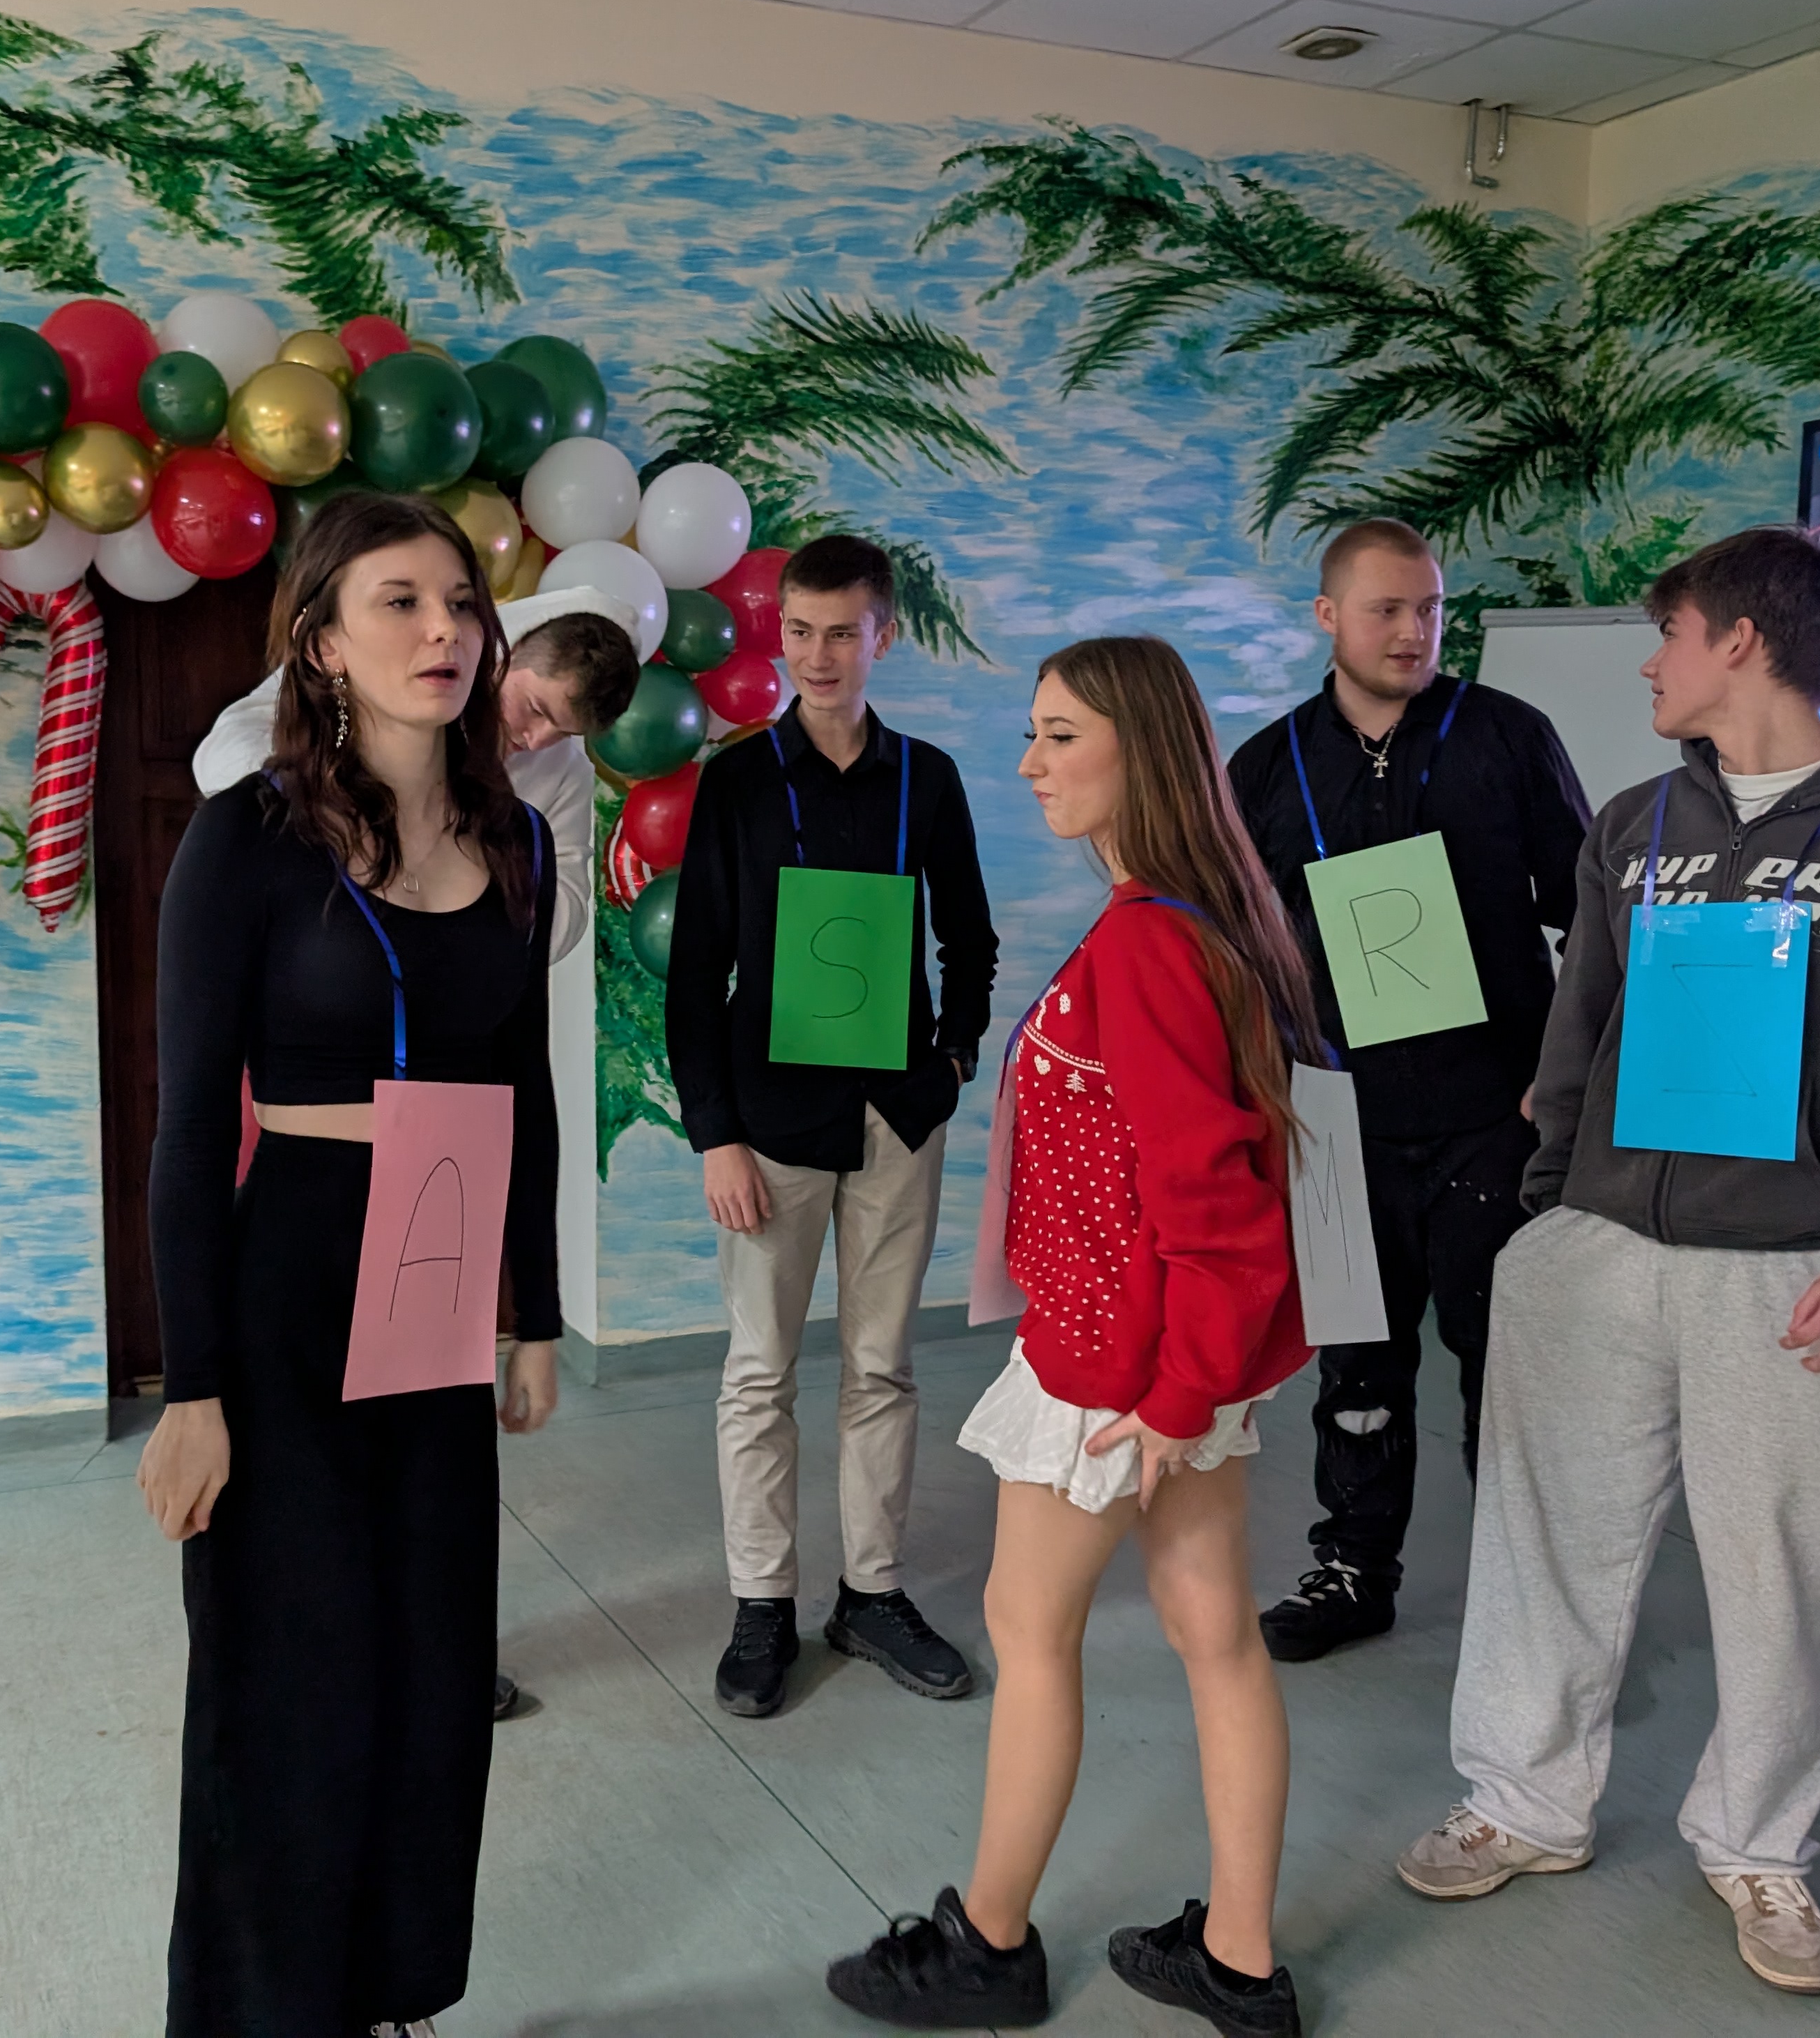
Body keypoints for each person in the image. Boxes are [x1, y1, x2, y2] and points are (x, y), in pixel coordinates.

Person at [1397, 525, 1820, 1998]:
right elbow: (1582, 1030)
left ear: (1740, 642)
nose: (1651, 663)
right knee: (1546, 1544)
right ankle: (1525, 1799)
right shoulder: (1635, 824)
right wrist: (1554, 1211)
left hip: (1802, 1271)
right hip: (1598, 1250)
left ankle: (1758, 1844)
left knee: (1776, 1580)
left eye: (1672, 634)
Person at [827, 635, 1313, 2036]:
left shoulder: (1152, 942)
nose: (1031, 763)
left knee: (1026, 1629)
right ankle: (1239, 1962)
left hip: (1119, 1365)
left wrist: (1173, 1397)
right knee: (1215, 1632)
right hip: (1165, 1361)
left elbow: (1215, 1206)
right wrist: (1195, 1388)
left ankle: (987, 1942)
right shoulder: (1196, 921)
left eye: (1058, 735)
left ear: (1136, 752)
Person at [139, 491, 565, 2037]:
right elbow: (192, 1128)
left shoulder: (518, 839)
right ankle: (264, 2011)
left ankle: (391, 1986)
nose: (444, 629)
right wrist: (194, 1389)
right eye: (400, 601)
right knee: (287, 1671)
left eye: (461, 602)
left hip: (439, 1277)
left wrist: (536, 1311)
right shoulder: (245, 840)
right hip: (295, 1274)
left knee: (431, 1662)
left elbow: (524, 1083)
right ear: (319, 642)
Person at [1224, 518, 1592, 1660]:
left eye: (1428, 608)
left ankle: (1533, 1595)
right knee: (1360, 1368)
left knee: (1512, 1368)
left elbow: (1590, 921)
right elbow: (1236, 949)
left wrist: (1562, 1080)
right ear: (1328, 616)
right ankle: (1352, 1569)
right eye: (1386, 609)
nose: (1413, 631)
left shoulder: (1509, 737)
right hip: (1342, 1125)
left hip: (1497, 1119)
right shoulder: (1267, 767)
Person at [665, 533, 997, 1719]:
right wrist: (715, 1135)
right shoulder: (741, 783)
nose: (817, 655)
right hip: (767, 1128)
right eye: (799, 632)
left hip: (898, 1119)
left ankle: (872, 1593)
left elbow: (970, 938)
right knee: (759, 1373)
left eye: (842, 633)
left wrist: (951, 1058)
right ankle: (763, 1601)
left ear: (881, 637)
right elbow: (695, 973)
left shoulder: (929, 780)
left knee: (881, 1367)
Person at [192, 582, 640, 962]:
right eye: (535, 709)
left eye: (565, 733)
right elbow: (225, 748)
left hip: (440, 987)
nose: (538, 740)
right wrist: (321, 801)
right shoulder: (394, 663)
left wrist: (472, 904)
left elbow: (565, 908)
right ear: (510, 650)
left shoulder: (566, 774)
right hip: (298, 948)